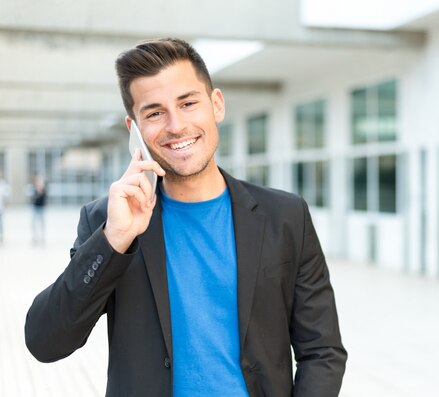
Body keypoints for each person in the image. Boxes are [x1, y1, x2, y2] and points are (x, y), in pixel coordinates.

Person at [25, 38, 347, 396]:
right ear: (134, 129)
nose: (176, 126)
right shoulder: (108, 220)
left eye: (188, 103)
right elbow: (46, 342)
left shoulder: (286, 216)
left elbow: (322, 351)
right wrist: (113, 240)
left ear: (216, 105)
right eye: (154, 113)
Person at [31, 174, 46, 246]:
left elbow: (42, 195)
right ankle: (35, 237)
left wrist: (40, 187)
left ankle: (42, 237)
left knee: (41, 223)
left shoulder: (43, 188)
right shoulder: (33, 188)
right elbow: (33, 198)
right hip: (35, 207)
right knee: (34, 223)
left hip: (41, 208)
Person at [0, 173, 10, 244]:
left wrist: (6, 205)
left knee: (1, 224)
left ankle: (1, 238)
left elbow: (6, 196)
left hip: (1, 207)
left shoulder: (3, 184)